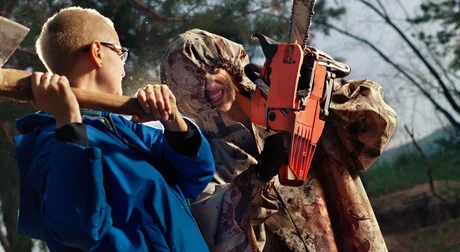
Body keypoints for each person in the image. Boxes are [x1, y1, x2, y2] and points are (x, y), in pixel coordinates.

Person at [160, 29, 397, 252]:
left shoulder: (295, 102)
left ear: (227, 64)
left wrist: (323, 92)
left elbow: (377, 126)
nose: (210, 84)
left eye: (212, 70)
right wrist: (258, 178)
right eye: (195, 83)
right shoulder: (205, 160)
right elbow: (219, 230)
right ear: (185, 96)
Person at [13, 8, 216, 252]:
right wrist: (68, 124)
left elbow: (196, 175)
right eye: (120, 55)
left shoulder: (127, 130)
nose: (123, 70)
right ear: (98, 52)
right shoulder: (55, 141)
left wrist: (173, 121)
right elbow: (76, 229)